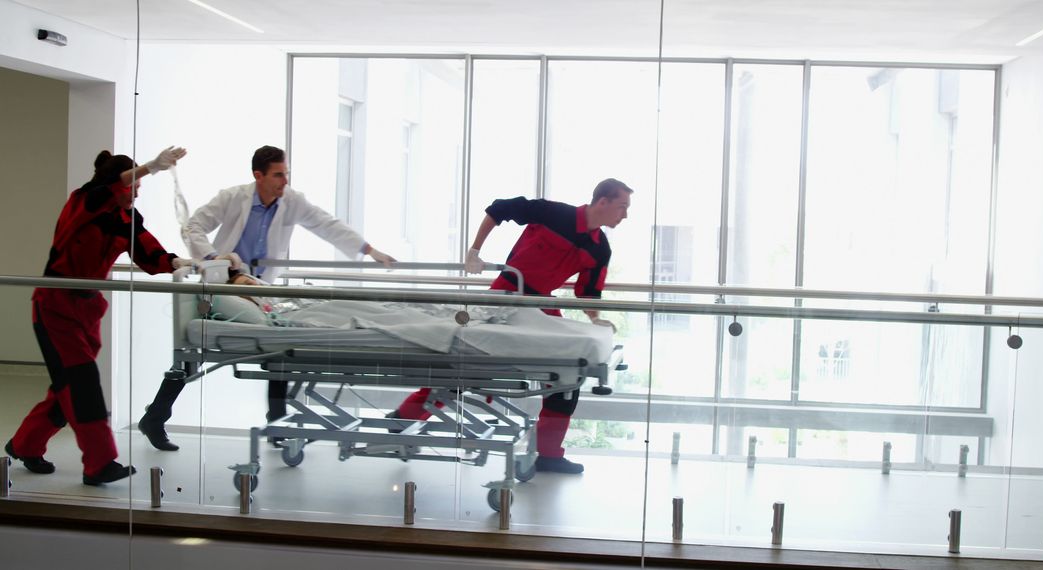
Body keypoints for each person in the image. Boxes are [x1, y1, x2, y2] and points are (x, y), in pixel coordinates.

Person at [138, 145, 396, 451]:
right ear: (257, 175)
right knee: (194, 357)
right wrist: (213, 258)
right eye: (277, 174)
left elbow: (327, 224)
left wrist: (370, 251)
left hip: (260, 287)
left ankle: (275, 425)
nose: (284, 181)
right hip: (226, 283)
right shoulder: (233, 197)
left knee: (278, 348)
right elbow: (194, 225)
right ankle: (156, 416)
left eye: (286, 173)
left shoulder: (291, 202)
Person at [390, 178, 632, 474]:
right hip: (504, 295)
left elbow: (588, 291)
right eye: (622, 207)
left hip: (540, 305)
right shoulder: (553, 213)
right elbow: (498, 210)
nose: (625, 215)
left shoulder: (600, 249)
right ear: (603, 202)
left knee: (567, 375)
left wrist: (595, 318)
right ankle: (402, 418)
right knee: (462, 361)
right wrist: (474, 251)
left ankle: (550, 455)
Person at [5, 147, 190, 485]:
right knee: (82, 385)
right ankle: (99, 463)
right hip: (55, 306)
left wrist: (178, 263)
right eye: (132, 185)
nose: (136, 191)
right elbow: (105, 191)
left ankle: (24, 445)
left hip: (87, 311)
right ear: (117, 185)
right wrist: (150, 167)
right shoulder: (83, 202)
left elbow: (149, 254)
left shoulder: (127, 219)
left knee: (67, 389)